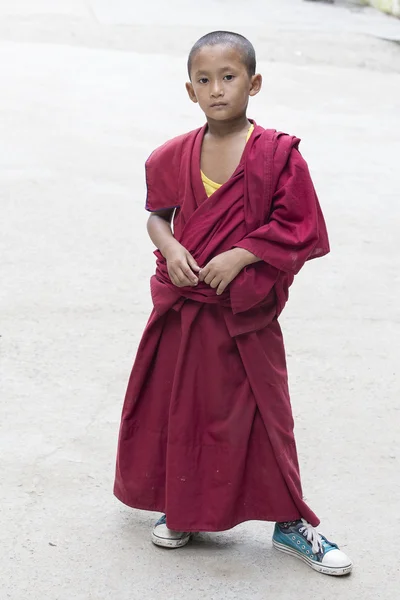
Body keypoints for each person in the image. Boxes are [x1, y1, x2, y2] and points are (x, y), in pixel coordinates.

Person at [114, 31, 352, 577]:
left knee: (266, 414)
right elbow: (158, 213)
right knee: (184, 409)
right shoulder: (172, 155)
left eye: (229, 77)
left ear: (254, 82)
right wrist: (171, 247)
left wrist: (242, 254)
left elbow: (301, 226)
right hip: (187, 308)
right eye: (204, 80)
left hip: (245, 311)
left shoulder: (277, 156)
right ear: (189, 90)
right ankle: (185, 509)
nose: (217, 89)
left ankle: (290, 524)